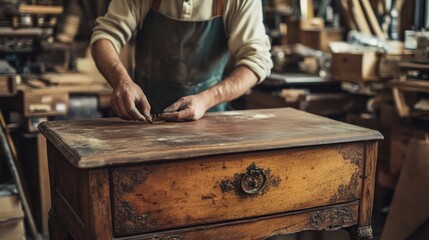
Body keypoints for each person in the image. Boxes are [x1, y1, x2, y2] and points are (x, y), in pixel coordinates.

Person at [91, 0, 272, 122]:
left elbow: (256, 59)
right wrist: (121, 81)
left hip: (210, 118)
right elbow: (105, 36)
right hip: (145, 118)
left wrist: (206, 100)